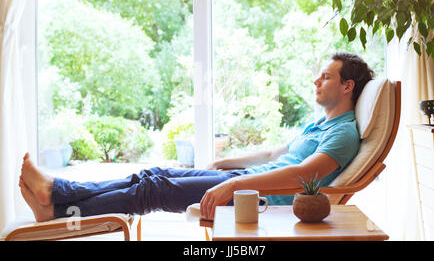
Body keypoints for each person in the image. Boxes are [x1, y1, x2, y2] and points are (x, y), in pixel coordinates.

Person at [19, 51, 374, 222]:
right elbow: (274, 154)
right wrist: (226, 164)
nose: (316, 81)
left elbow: (300, 176)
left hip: (257, 200)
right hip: (246, 183)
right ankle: (56, 196)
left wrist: (232, 187)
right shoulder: (319, 125)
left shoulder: (343, 134)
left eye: (325, 77)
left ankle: (60, 207)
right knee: (151, 174)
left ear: (347, 86)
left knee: (152, 191)